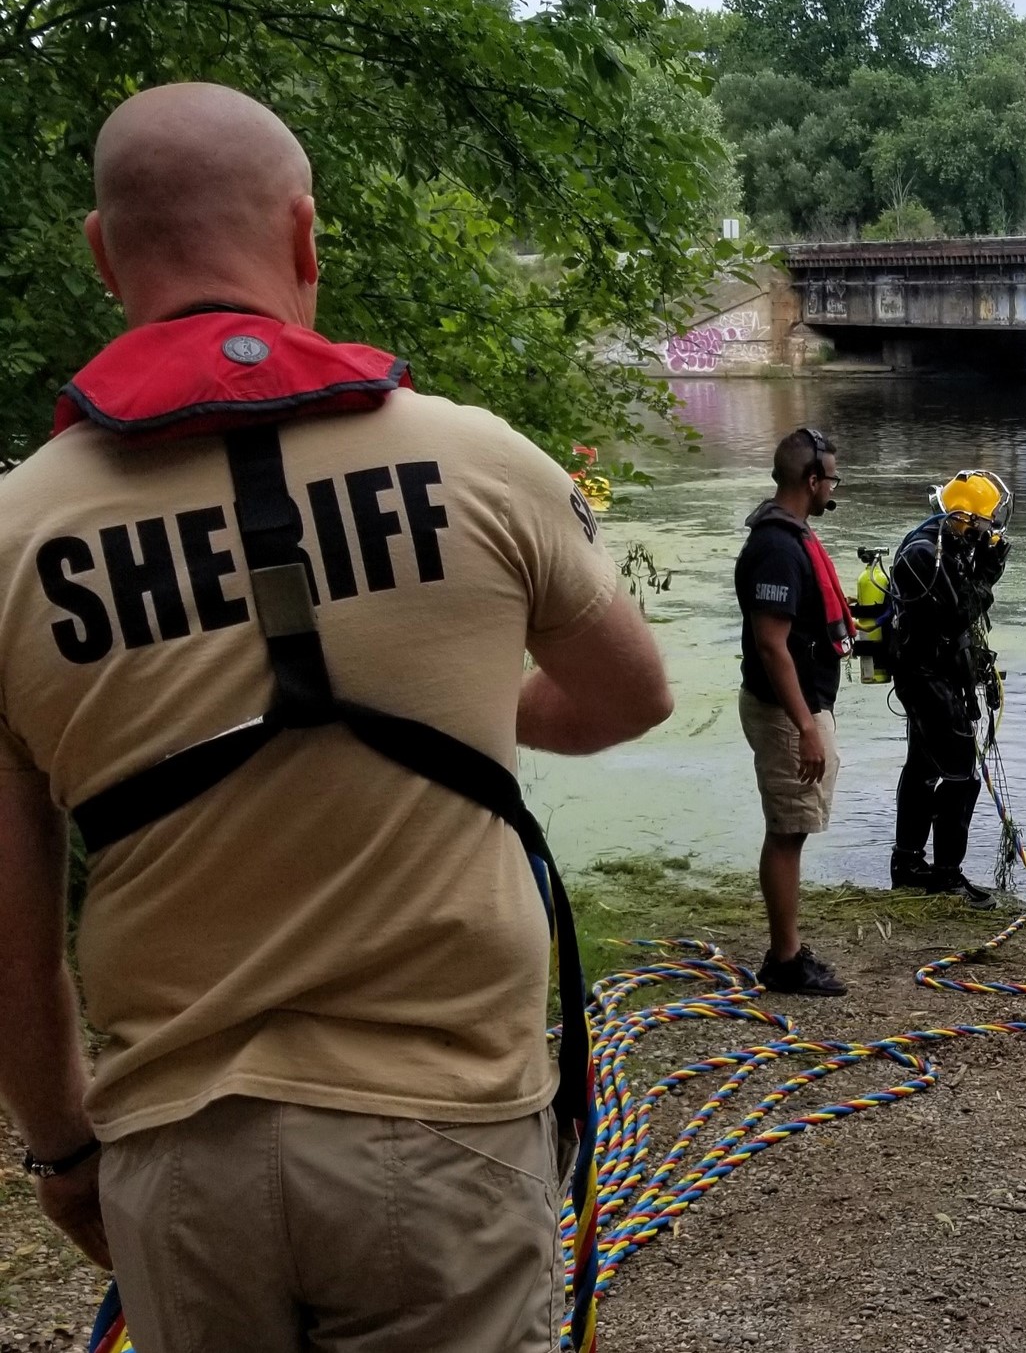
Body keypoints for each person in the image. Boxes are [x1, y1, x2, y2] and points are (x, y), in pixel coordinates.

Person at [0, 82, 672, 1352]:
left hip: (176, 1152)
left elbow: (12, 928)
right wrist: (453, 700)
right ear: (308, 238)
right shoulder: (481, 462)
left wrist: (64, 1152)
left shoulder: (12, 540)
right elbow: (625, 697)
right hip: (447, 1134)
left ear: (99, 253)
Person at [735, 426, 852, 994]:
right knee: (787, 829)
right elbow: (770, 644)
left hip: (801, 706)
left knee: (794, 827)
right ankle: (783, 961)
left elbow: (799, 625)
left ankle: (787, 949)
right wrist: (805, 726)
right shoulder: (778, 548)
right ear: (811, 480)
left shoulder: (791, 534)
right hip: (786, 713)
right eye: (832, 478)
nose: (835, 488)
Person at [887, 470, 1012, 906]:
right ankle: (946, 875)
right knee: (960, 773)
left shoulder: (948, 544)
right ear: (966, 519)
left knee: (923, 767)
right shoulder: (926, 553)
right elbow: (958, 613)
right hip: (925, 676)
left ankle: (907, 864)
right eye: (987, 523)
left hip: (935, 672)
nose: (992, 531)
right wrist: (988, 578)